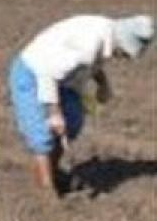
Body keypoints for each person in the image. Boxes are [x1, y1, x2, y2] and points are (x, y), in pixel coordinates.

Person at [8, 15, 153, 200]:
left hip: (63, 80)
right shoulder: (90, 44)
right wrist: (54, 113)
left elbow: (94, 63)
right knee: (42, 133)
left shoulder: (107, 34)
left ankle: (51, 171)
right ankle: (45, 193)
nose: (122, 58)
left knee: (73, 121)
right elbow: (48, 74)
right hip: (34, 73)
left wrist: (103, 85)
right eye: (124, 53)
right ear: (122, 41)